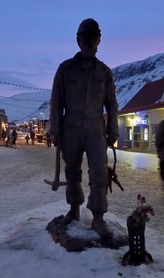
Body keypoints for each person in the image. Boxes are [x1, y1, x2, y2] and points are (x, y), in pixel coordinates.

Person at [49, 18, 119, 239]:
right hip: (71, 126)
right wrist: (55, 130)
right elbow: (55, 102)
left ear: (99, 40)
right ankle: (74, 208)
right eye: (85, 38)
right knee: (72, 170)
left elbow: (112, 104)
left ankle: (98, 217)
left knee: (99, 171)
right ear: (78, 40)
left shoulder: (105, 72)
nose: (89, 42)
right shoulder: (65, 69)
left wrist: (113, 130)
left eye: (93, 38)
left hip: (95, 126)